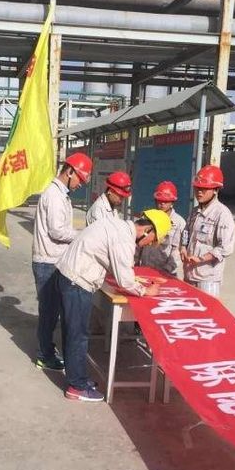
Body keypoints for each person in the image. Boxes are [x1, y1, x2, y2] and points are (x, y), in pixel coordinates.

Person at [54, 209, 170, 402]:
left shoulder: (117, 225)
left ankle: (78, 378)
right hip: (77, 282)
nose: (150, 244)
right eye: (153, 240)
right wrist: (145, 291)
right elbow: (125, 280)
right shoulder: (124, 239)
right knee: (78, 335)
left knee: (73, 333)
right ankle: (76, 386)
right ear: (147, 230)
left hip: (70, 276)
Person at [32, 152, 93, 370]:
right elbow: (57, 231)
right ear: (70, 172)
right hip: (48, 261)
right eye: (80, 179)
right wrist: (83, 235)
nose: (80, 185)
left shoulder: (61, 194)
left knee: (52, 310)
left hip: (54, 259)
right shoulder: (54, 195)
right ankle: (45, 355)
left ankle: (47, 350)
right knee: (49, 312)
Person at [180, 164, 235, 298]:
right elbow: (186, 232)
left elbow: (225, 248)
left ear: (215, 190)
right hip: (189, 274)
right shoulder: (195, 212)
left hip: (207, 278)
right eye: (197, 188)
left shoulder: (222, 214)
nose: (199, 192)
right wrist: (183, 248)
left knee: (206, 309)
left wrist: (201, 259)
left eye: (204, 189)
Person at [137, 181, 186, 278]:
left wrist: (165, 271)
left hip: (166, 273)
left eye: (166, 201)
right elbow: (138, 245)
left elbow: (176, 252)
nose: (162, 203)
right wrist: (135, 264)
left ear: (172, 202)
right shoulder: (148, 217)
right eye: (159, 200)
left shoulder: (179, 223)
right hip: (144, 270)